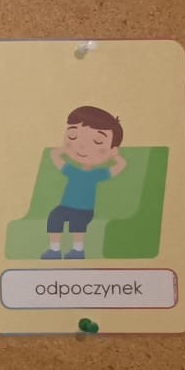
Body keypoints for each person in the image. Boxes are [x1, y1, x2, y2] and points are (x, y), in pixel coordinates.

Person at [43, 105, 127, 260]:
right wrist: (62, 149)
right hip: (65, 207)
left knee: (77, 223)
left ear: (112, 149)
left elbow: (121, 166)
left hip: (84, 210)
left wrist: (115, 155)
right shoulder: (72, 171)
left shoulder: (98, 174)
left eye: (97, 141)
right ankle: (54, 250)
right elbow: (55, 156)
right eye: (73, 135)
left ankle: (78, 250)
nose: (82, 146)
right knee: (54, 217)